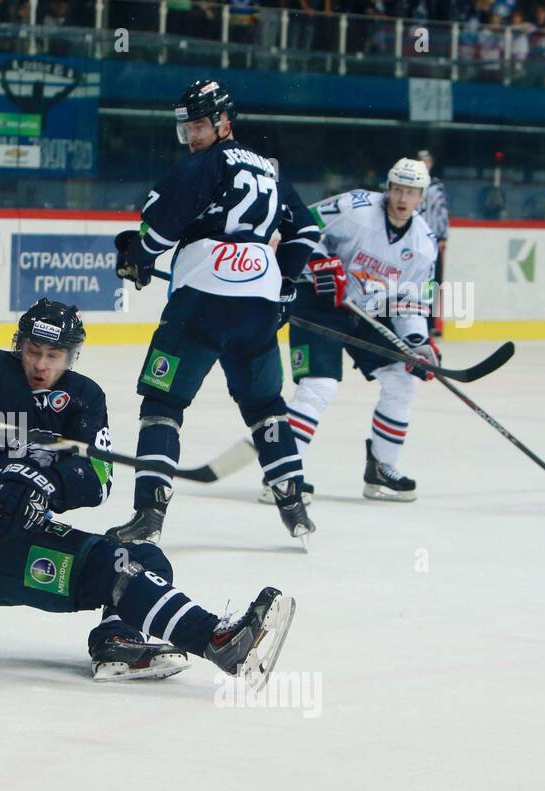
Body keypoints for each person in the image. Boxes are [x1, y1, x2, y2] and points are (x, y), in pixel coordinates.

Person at [0, 299, 296, 683]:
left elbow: (96, 478)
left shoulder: (83, 398)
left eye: (54, 355)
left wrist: (45, 483)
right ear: (19, 345)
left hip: (24, 530)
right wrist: (0, 472)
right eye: (33, 351)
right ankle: (215, 638)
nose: (41, 365)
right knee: (109, 565)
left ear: (72, 355)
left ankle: (118, 644)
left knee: (144, 557)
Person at [105, 79, 319, 546]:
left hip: (202, 302)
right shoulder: (269, 169)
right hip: (259, 306)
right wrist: (282, 285)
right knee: (266, 405)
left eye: (200, 126)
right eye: (187, 129)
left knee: (163, 403)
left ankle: (149, 515)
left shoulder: (204, 165)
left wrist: (137, 257)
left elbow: (161, 230)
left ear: (224, 123)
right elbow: (306, 230)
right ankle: (294, 504)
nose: (193, 137)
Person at [277, 158, 438, 503]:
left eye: (410, 192)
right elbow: (301, 223)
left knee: (402, 378)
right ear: (388, 188)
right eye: (397, 189)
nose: (402, 198)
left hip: (365, 311)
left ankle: (382, 469)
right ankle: (282, 475)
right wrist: (318, 259)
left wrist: (416, 343)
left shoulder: (424, 244)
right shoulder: (356, 208)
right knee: (319, 385)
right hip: (318, 302)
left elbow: (409, 300)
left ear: (421, 197)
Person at [417, 149, 448, 285]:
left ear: (430, 163)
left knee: (434, 275)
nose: (423, 164)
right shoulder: (409, 184)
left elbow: (442, 212)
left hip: (432, 238)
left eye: (426, 161)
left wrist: (443, 237)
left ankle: (430, 303)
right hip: (414, 236)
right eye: (420, 161)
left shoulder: (436, 186)